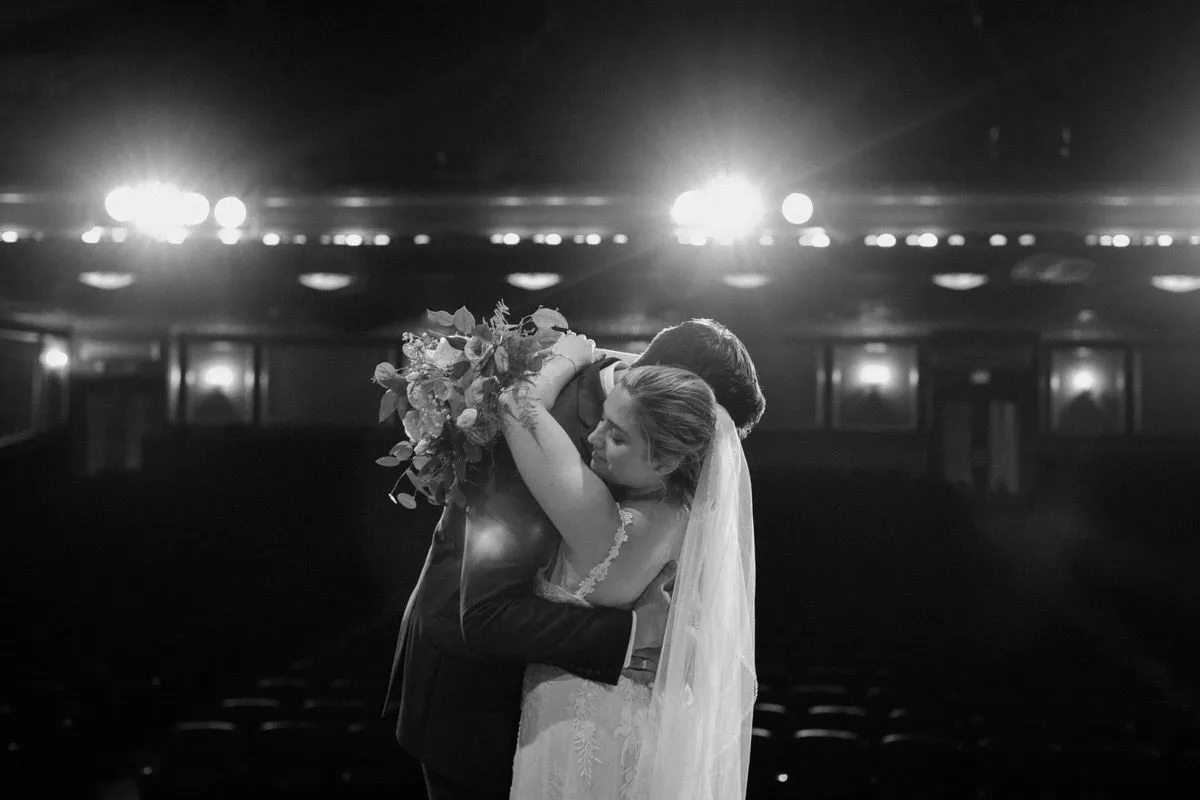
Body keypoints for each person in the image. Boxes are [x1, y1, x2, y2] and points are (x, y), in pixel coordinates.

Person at [382, 318, 765, 799]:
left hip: (589, 721)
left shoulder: (674, 483)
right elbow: (485, 613)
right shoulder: (547, 422)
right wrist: (633, 635)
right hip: (478, 706)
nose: (701, 446)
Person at [499, 333, 758, 799]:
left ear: (667, 459)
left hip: (572, 730)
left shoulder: (610, 525)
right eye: (602, 420)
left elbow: (516, 404)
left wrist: (568, 356)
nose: (593, 438)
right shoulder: (687, 515)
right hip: (643, 726)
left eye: (618, 436)